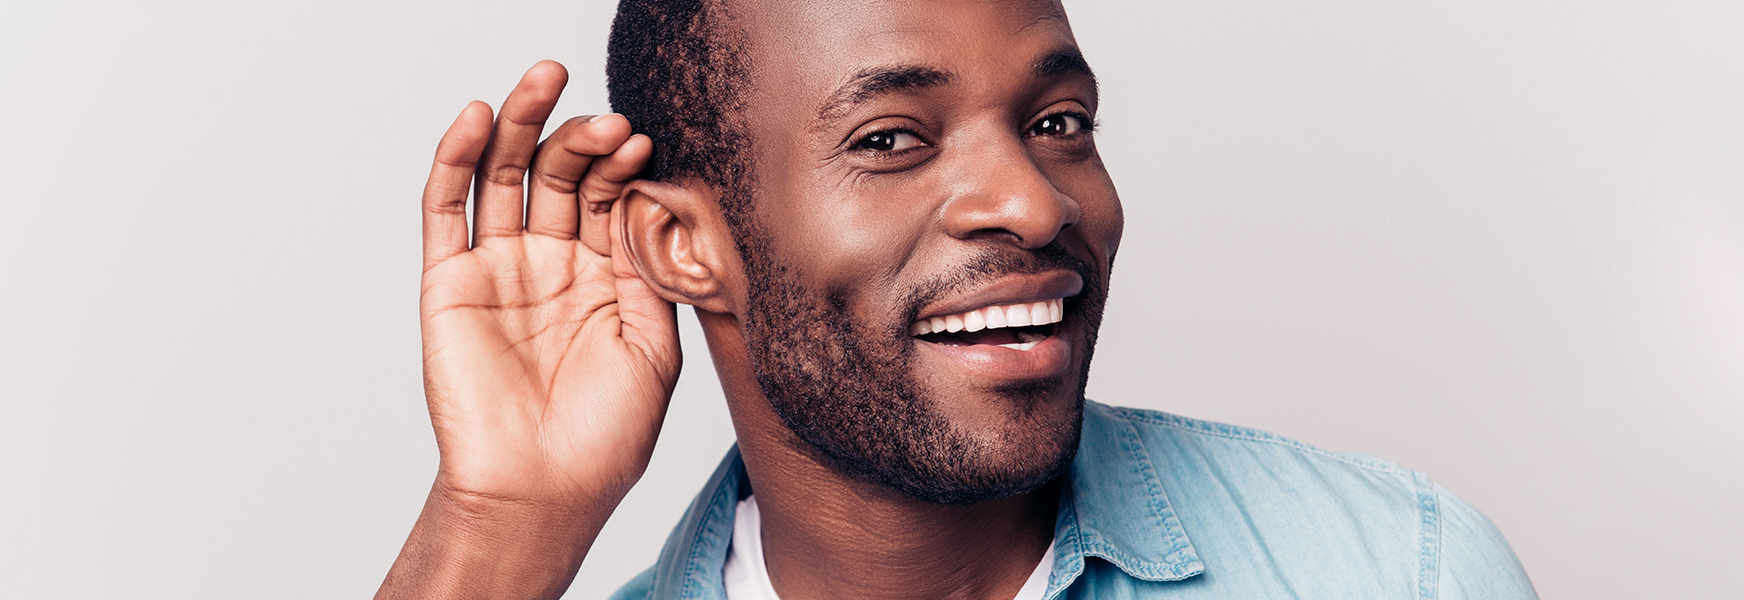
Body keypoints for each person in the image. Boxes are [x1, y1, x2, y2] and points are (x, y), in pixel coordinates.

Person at [376, 0, 1538, 598]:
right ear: (684, 244)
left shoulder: (1396, 574)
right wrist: (498, 531)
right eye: (891, 139)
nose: (1032, 205)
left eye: (1058, 123)